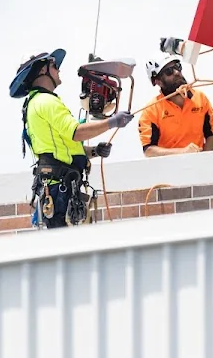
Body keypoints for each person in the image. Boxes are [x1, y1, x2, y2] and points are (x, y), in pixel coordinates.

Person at [10, 49, 134, 228]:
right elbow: (76, 133)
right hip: (60, 190)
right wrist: (112, 122)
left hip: (56, 187)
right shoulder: (47, 102)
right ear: (41, 71)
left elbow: (59, 149)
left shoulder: (34, 103)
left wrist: (94, 151)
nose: (58, 69)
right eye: (53, 65)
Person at [138, 55, 213, 156]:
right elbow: (149, 150)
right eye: (169, 71)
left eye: (178, 67)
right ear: (157, 81)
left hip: (198, 166)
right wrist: (183, 152)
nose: (177, 72)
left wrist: (203, 159)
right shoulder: (151, 110)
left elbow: (212, 135)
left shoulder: (200, 98)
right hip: (168, 169)